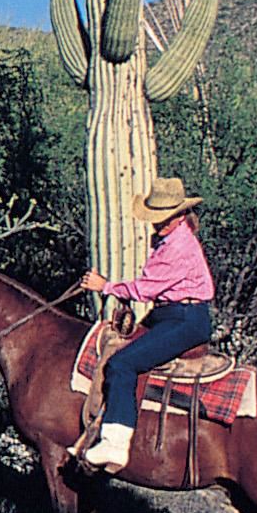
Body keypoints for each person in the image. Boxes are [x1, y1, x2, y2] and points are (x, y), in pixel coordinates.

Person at [76, 178, 215, 471]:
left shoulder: (179, 245)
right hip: (168, 313)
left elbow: (146, 289)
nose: (158, 224)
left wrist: (106, 286)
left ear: (179, 216)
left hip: (185, 318)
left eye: (164, 218)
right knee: (117, 345)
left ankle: (115, 443)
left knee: (123, 364)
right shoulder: (170, 239)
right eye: (156, 218)